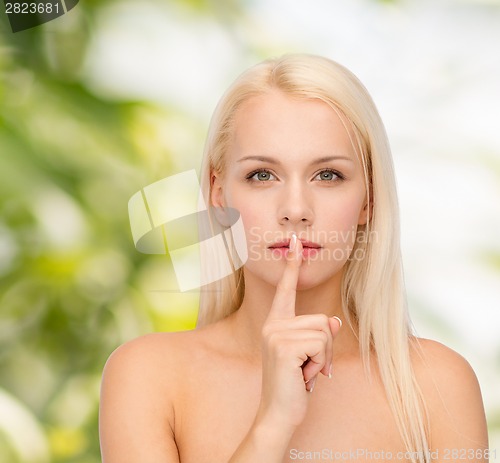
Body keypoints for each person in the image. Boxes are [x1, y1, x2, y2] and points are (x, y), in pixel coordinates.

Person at [99, 54, 489, 463]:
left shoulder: (439, 385)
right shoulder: (148, 376)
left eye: (328, 175)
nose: (296, 209)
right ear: (218, 193)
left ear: (368, 199)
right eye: (262, 175)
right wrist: (273, 423)